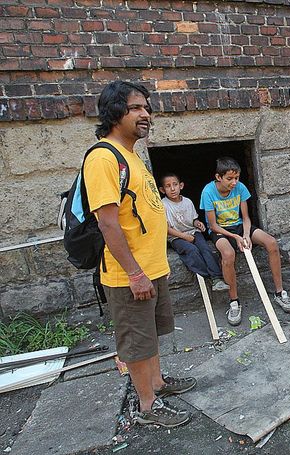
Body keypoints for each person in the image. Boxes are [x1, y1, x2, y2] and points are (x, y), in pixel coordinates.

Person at [83, 81, 195, 428]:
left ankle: (158, 385)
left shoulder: (131, 155)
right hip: (128, 274)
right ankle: (147, 406)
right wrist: (133, 273)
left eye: (147, 108)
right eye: (136, 108)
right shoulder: (104, 158)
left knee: (151, 334)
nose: (146, 114)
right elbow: (109, 224)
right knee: (135, 342)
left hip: (151, 267)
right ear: (115, 112)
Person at [200, 157, 290, 326]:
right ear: (218, 177)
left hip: (239, 227)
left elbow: (245, 218)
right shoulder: (208, 192)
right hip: (221, 230)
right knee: (228, 255)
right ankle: (234, 301)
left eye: (236, 178)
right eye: (229, 179)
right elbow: (213, 226)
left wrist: (244, 234)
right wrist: (236, 238)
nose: (234, 182)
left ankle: (280, 293)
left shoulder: (240, 188)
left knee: (271, 243)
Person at [159, 173, 228, 292]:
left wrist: (198, 223)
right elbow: (166, 228)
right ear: (162, 190)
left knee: (205, 248)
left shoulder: (187, 202)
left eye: (175, 185)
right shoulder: (163, 204)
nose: (172, 188)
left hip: (193, 231)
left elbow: (193, 220)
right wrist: (184, 237)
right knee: (192, 250)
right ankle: (209, 276)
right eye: (168, 186)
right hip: (176, 236)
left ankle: (217, 278)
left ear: (181, 185)